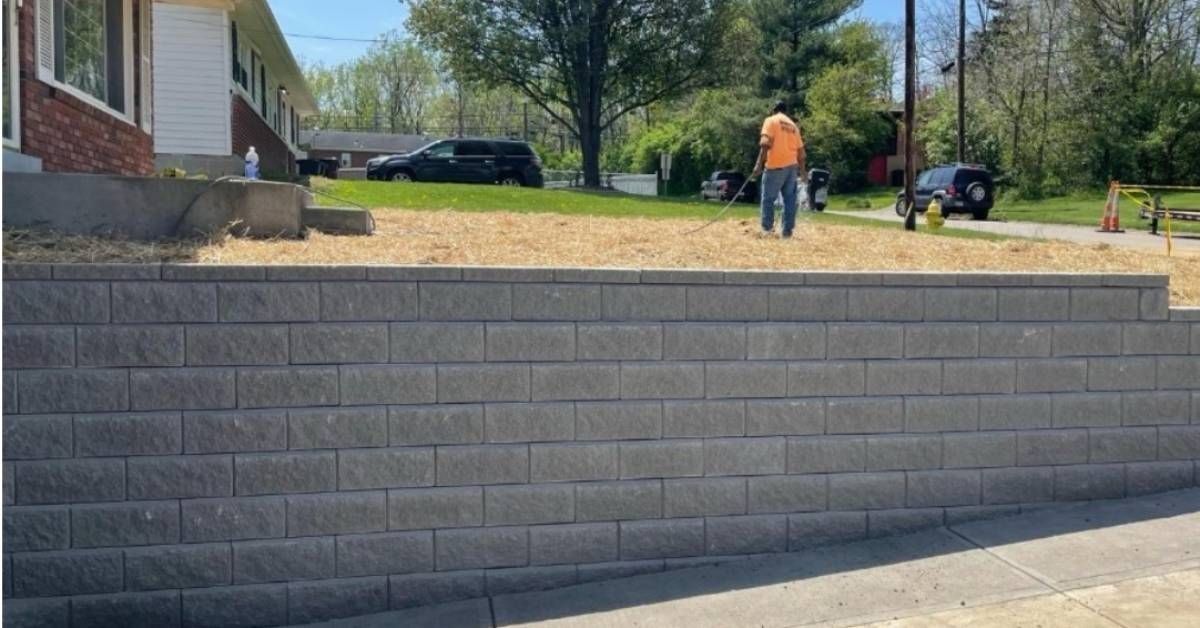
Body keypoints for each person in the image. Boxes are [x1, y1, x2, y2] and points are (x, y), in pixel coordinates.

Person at [751, 101, 807, 238]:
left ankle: (767, 230)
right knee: (789, 200)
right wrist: (803, 172)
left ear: (773, 110)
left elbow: (765, 143)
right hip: (791, 168)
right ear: (785, 111)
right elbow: (802, 153)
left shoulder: (770, 120)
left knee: (768, 199)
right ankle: (787, 232)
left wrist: (758, 164)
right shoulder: (793, 126)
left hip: (775, 167)